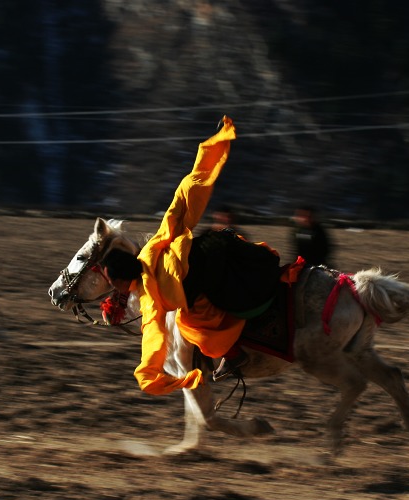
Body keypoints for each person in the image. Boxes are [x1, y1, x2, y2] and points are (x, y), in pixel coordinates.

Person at [101, 116, 288, 395]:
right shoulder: (153, 247)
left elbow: (153, 339)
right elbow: (182, 201)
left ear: (118, 282)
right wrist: (212, 150)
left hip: (217, 278)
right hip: (220, 244)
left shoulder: (149, 298)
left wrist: (149, 377)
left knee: (189, 324)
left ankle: (234, 354)